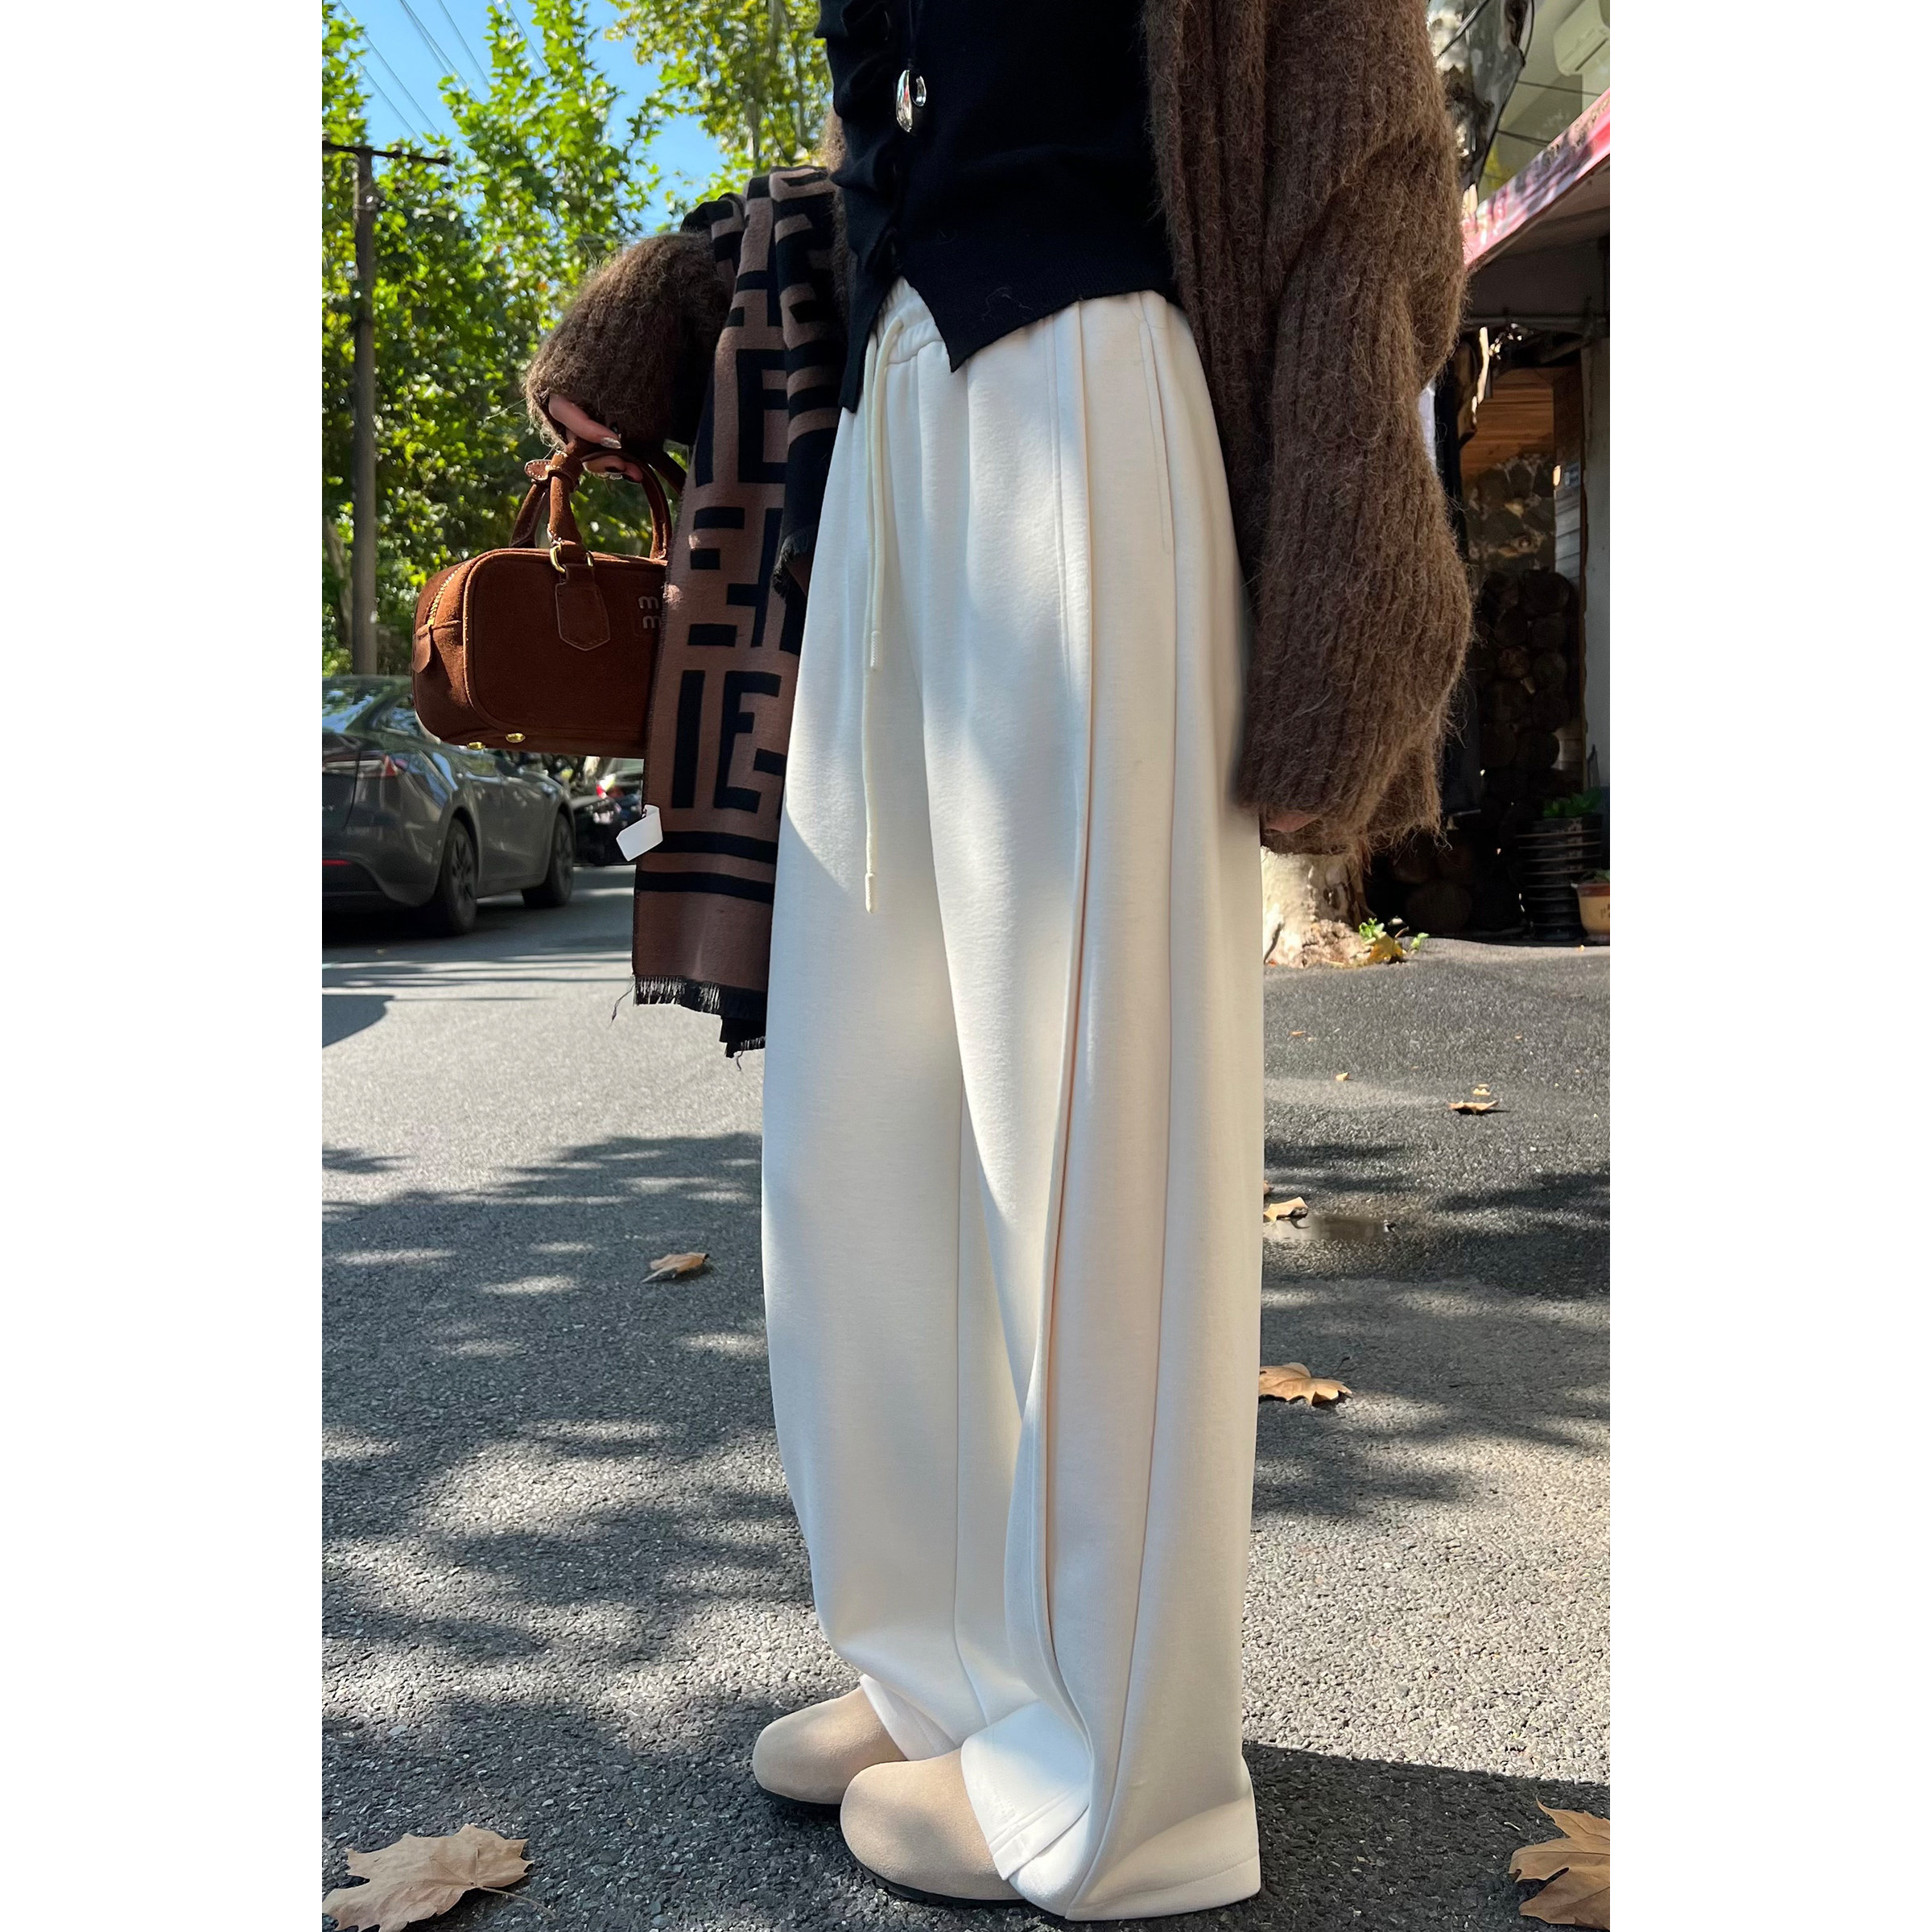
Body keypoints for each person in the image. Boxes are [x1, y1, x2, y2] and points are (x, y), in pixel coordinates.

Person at [531, 0, 1467, 1916]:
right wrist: (677, 292)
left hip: (1096, 398)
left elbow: (1359, 165)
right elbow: (914, 136)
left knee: (1089, 1118)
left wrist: (1351, 575)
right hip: (891, 433)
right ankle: (943, 1666)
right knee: (862, 1113)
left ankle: (1119, 1788)